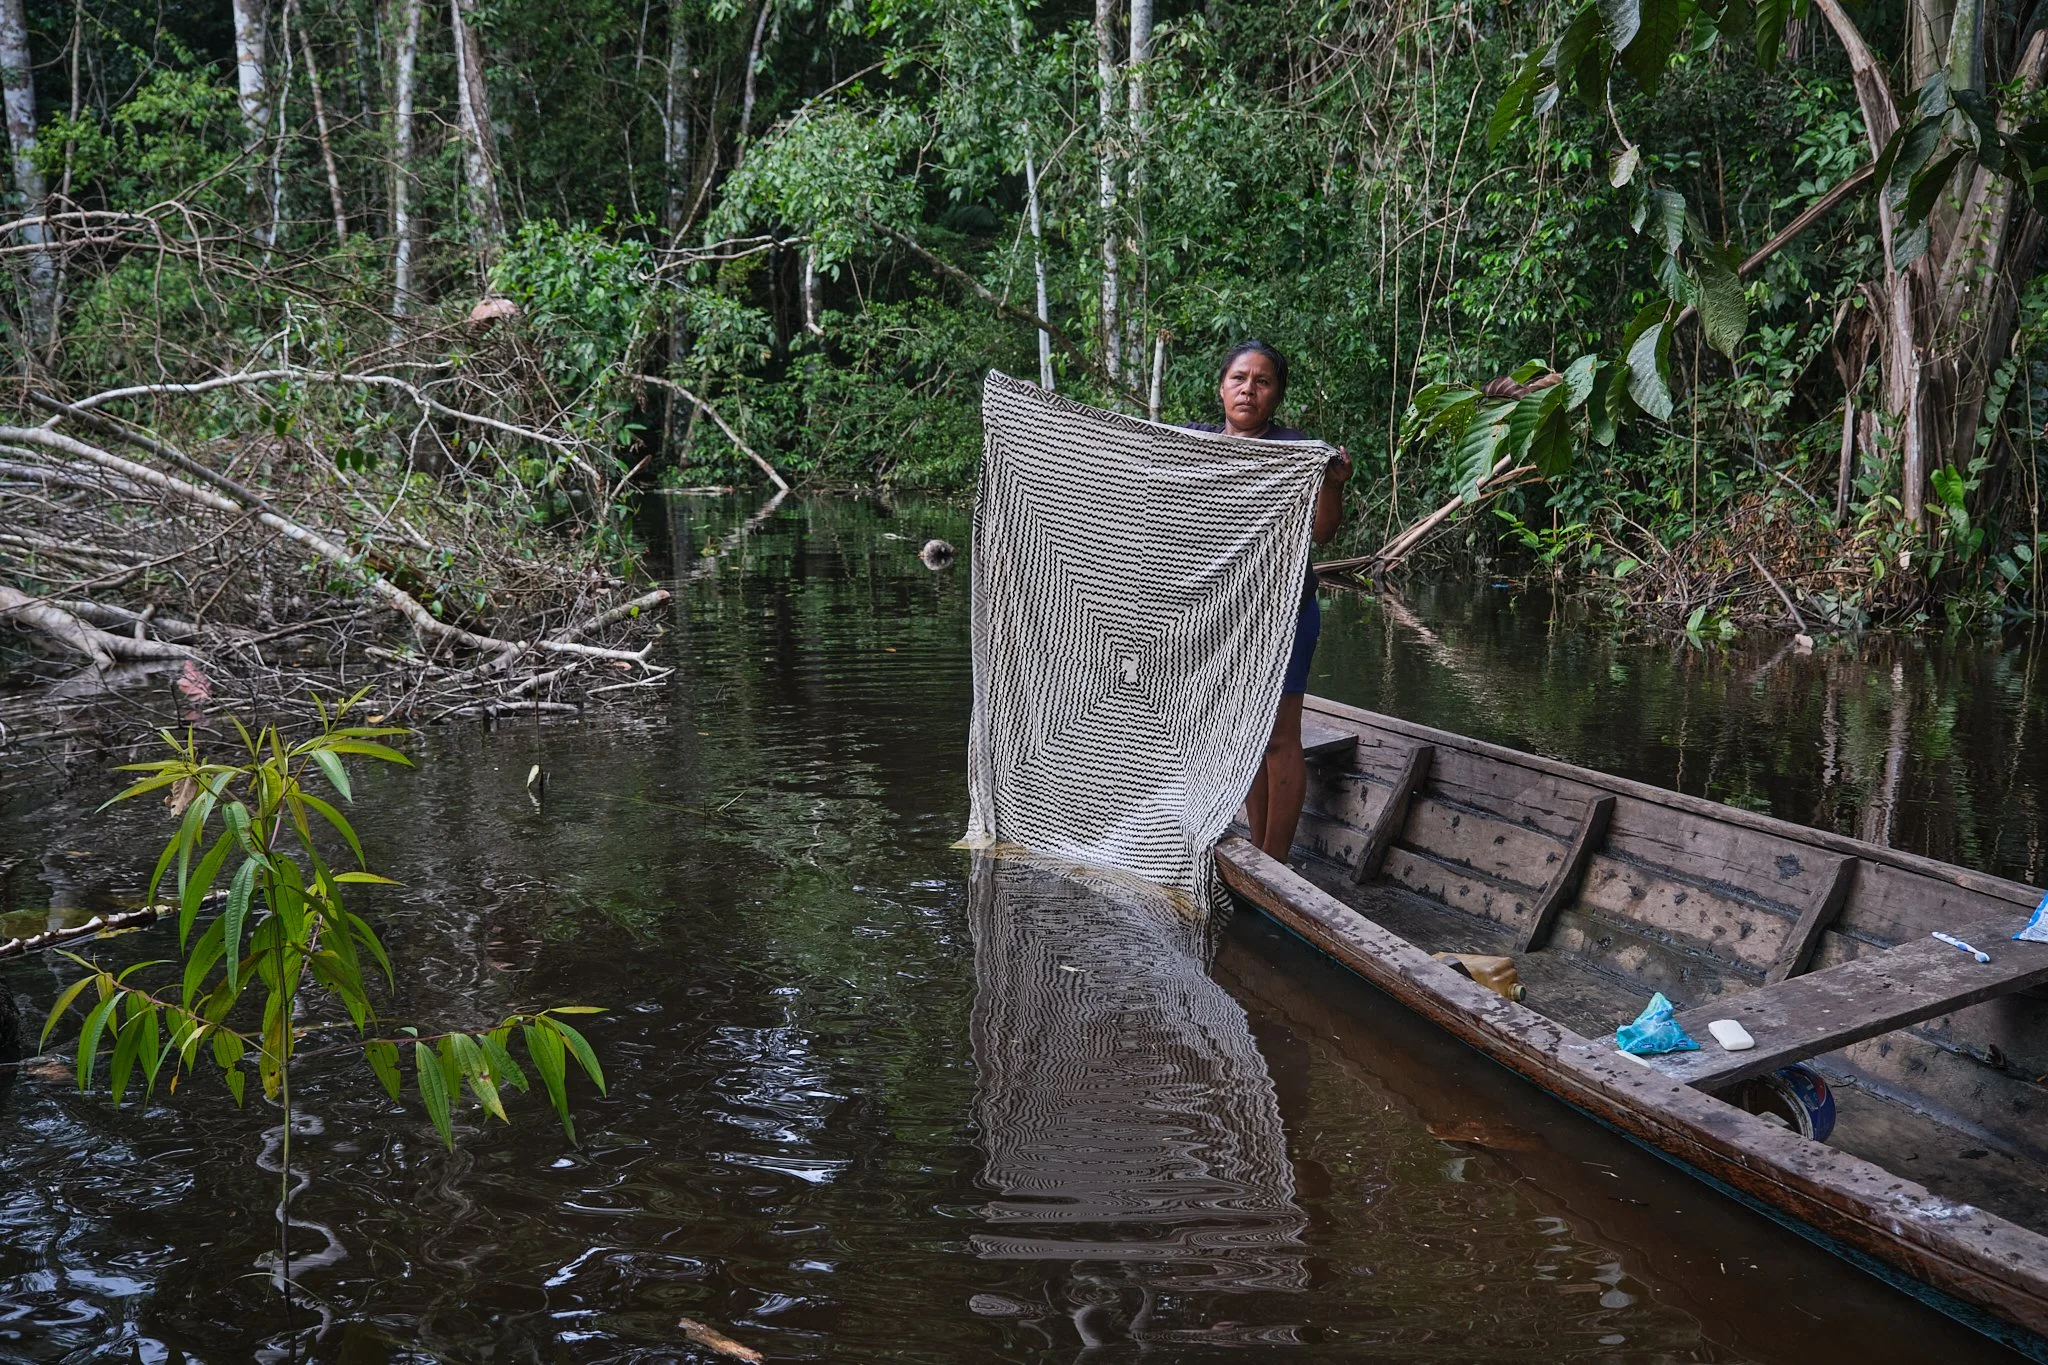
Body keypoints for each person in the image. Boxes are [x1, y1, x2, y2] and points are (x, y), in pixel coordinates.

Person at [1186, 340, 1351, 862]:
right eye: (1239, 378)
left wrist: (1334, 485)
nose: (1248, 390)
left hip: (1283, 612)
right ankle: (1258, 851)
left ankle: (1275, 865)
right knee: (1241, 736)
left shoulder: (1297, 451)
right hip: (1221, 614)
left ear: (1276, 395)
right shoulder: (1192, 444)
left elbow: (1323, 534)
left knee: (1278, 736)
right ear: (1221, 386)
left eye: (1262, 381)